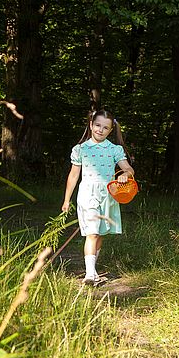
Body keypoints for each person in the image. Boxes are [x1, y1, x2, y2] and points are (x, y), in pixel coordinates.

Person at [61, 108, 135, 286]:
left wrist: (125, 174)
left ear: (111, 130)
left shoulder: (114, 149)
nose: (100, 130)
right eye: (97, 125)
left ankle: (92, 268)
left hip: (108, 196)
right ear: (91, 125)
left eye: (105, 127)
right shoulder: (80, 149)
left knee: (100, 233)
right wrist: (66, 200)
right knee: (92, 233)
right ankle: (89, 274)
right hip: (87, 194)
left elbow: (129, 169)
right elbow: (73, 175)